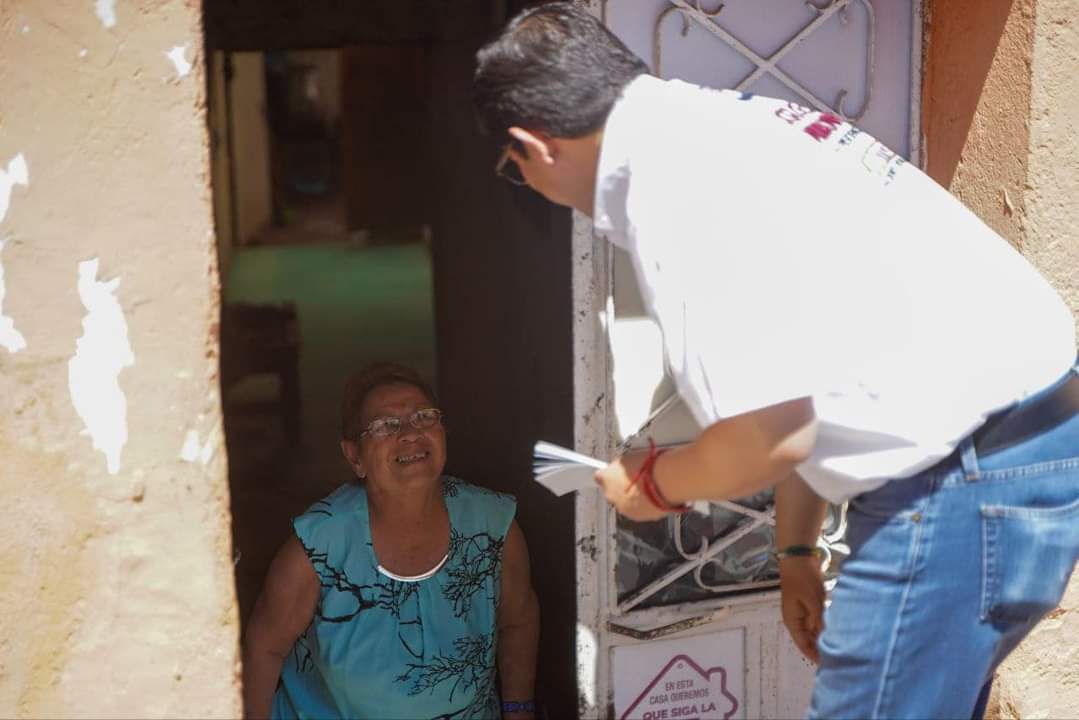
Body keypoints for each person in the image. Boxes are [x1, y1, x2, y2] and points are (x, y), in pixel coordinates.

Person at [472, 4, 1079, 719]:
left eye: (516, 174)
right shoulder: (728, 128)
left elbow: (768, 435)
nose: (535, 190)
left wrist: (651, 486)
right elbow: (809, 378)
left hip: (955, 489)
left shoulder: (676, 194)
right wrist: (795, 553)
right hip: (1031, 450)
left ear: (534, 147)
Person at [242, 362, 540, 719]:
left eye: (424, 417)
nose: (410, 433)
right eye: (385, 425)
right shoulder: (319, 546)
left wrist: (519, 710)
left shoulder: (492, 526)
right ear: (355, 456)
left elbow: (518, 622)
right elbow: (265, 649)